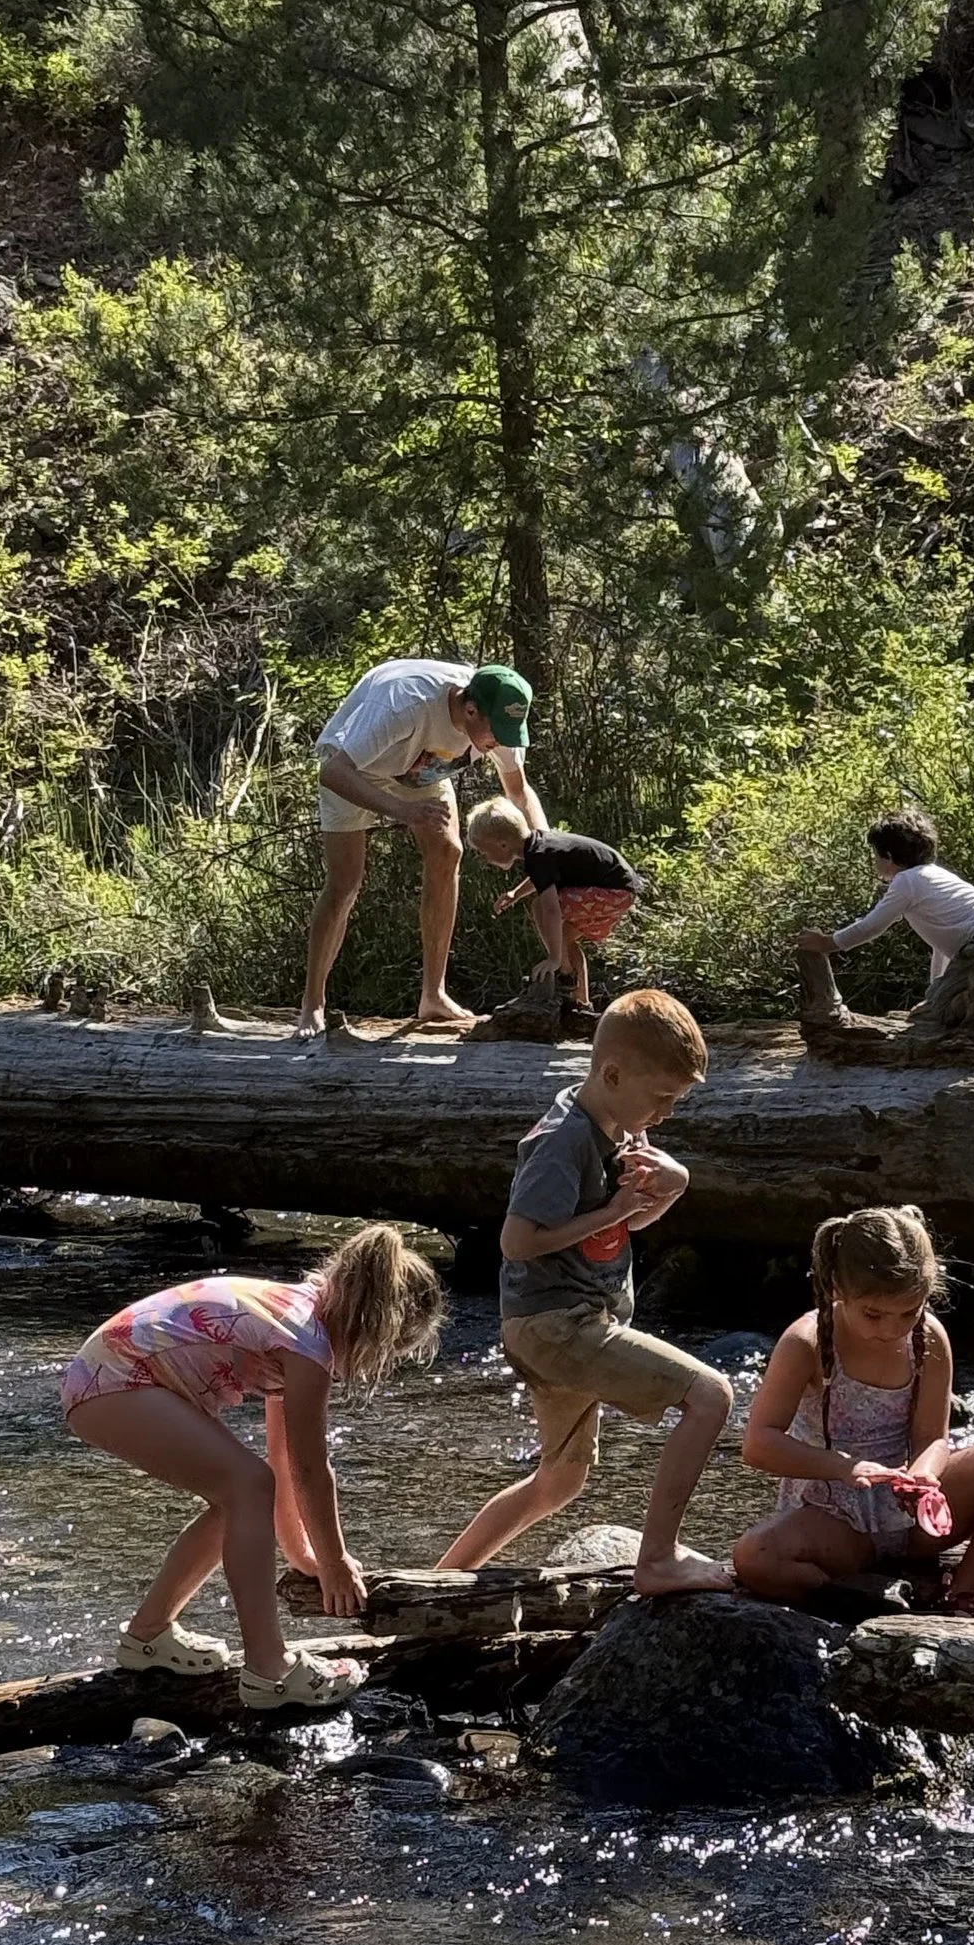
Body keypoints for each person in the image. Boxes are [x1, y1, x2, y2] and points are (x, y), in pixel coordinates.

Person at [61, 1225, 444, 1706]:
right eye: (388, 1352)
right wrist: (335, 1561)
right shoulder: (308, 1339)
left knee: (238, 1496)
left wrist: (302, 1553)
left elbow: (282, 1461)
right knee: (245, 1486)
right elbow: (310, 1467)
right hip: (113, 1381)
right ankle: (268, 1669)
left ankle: (148, 1634)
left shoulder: (293, 1315)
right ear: (376, 1325)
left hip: (103, 1377)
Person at [438, 987, 735, 1597]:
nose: (667, 1114)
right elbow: (516, 1242)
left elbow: (628, 1220)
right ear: (613, 1072)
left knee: (559, 1483)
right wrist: (615, 1211)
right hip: (557, 1325)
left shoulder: (614, 1126)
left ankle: (440, 1580)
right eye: (662, 1099)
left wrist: (674, 1183)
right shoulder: (562, 1141)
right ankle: (657, 1560)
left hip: (560, 1322)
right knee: (711, 1397)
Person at [731, 1205, 974, 1610]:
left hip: (907, 1513)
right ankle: (857, 1598)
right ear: (837, 1288)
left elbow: (932, 1437)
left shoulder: (929, 1337)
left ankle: (963, 1596)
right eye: (873, 1314)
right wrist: (844, 1467)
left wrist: (923, 1475)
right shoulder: (806, 1342)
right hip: (834, 1514)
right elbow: (758, 1444)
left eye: (909, 1312)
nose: (892, 1330)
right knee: (754, 1555)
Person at [301, 657, 544, 1035]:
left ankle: (433, 996)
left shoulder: (498, 718)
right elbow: (332, 773)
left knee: (448, 852)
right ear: (470, 709)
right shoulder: (405, 703)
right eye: (497, 732)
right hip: (355, 767)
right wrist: (403, 811)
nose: (502, 741)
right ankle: (312, 1004)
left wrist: (549, 850)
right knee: (345, 882)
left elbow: (518, 789)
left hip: (422, 769)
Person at [798, 808, 974, 1038]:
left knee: (931, 1017)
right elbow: (942, 949)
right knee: (936, 1004)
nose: (874, 862)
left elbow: (871, 926)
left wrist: (827, 943)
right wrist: (936, 989)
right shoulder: (935, 876)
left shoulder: (906, 881)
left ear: (887, 856)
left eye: (875, 855)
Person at [466, 800, 641, 1012]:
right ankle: (581, 1004)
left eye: (485, 853)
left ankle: (564, 972)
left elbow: (551, 909)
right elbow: (542, 878)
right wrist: (515, 894)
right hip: (620, 891)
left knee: (540, 906)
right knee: (565, 937)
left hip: (614, 892)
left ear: (502, 844)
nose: (485, 860)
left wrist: (553, 959)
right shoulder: (540, 847)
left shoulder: (538, 856)